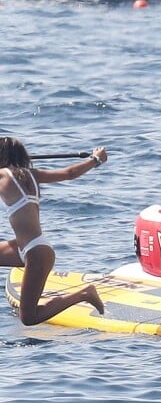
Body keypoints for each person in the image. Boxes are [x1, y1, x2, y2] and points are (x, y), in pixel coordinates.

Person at [0, 138, 107, 325]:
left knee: (29, 318)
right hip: (26, 248)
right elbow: (69, 173)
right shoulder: (31, 175)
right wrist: (95, 160)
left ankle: (84, 293)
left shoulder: (2, 176)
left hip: (36, 253)